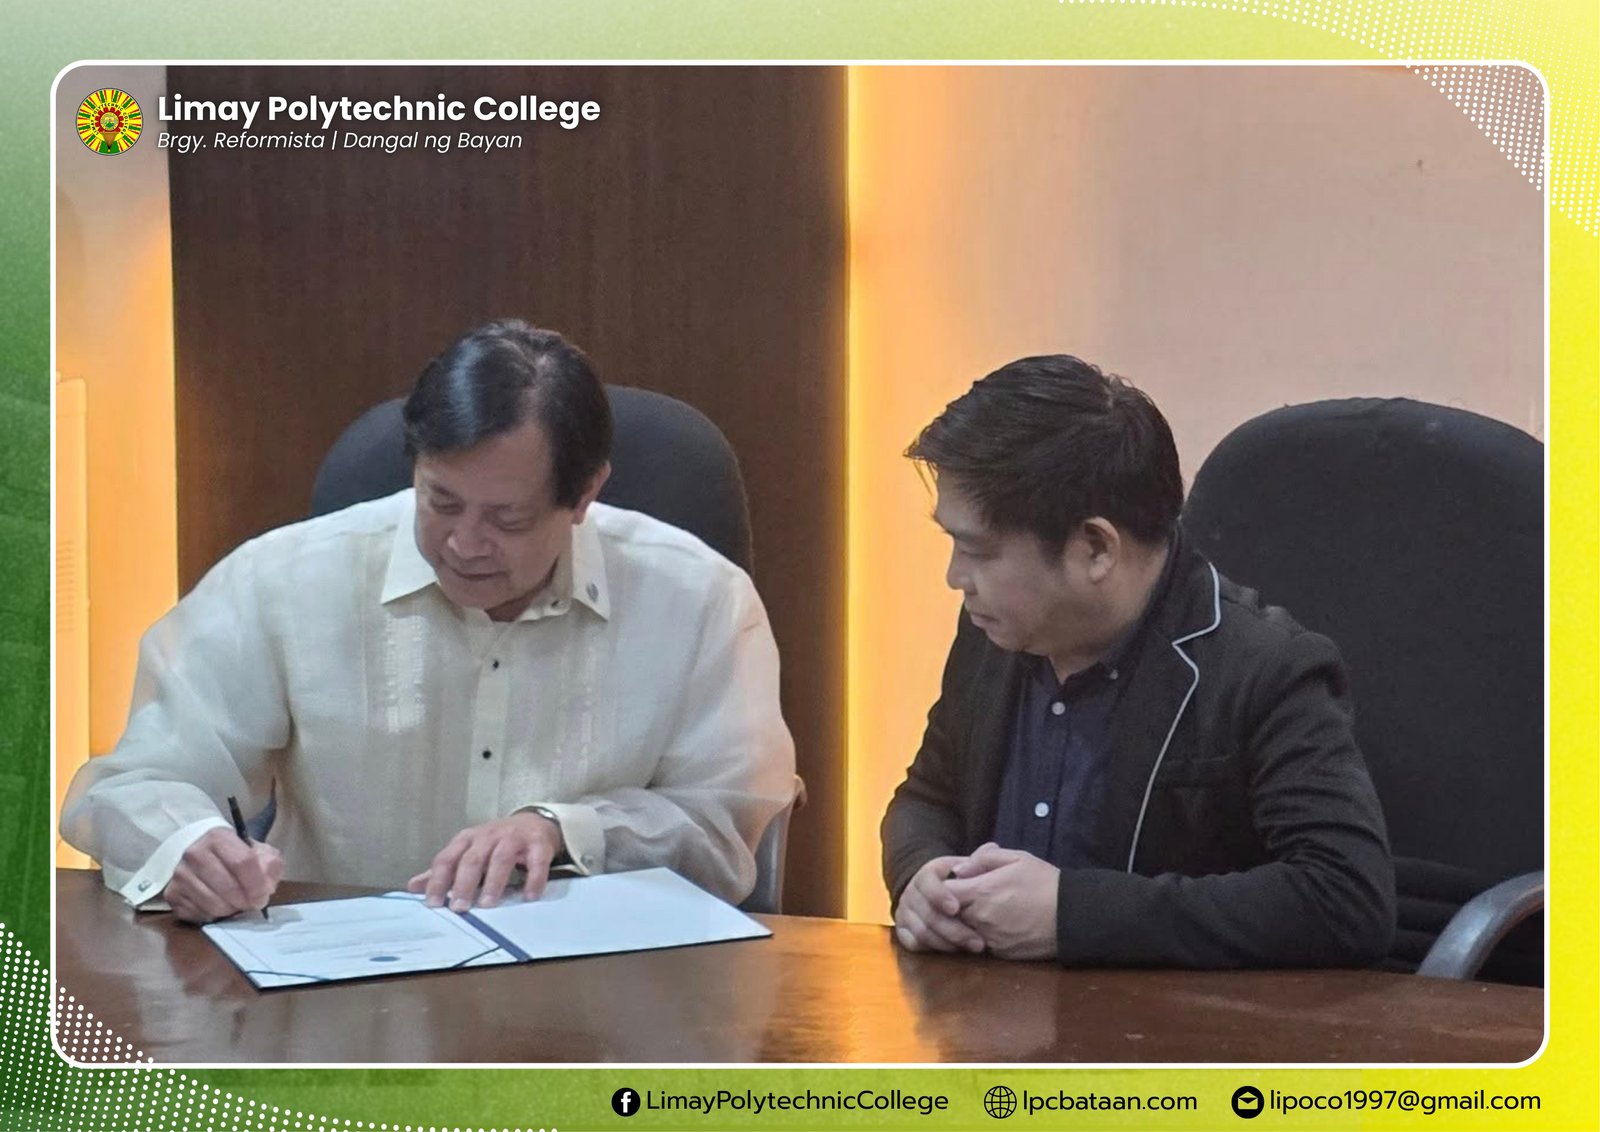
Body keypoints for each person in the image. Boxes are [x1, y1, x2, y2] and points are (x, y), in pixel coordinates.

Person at [62, 319, 795, 923]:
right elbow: (134, 781)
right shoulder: (283, 580)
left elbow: (723, 830)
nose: (464, 544)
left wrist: (567, 831)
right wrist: (185, 844)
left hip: (603, 998)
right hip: (343, 989)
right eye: (441, 502)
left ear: (584, 496)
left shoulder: (699, 599)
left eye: (507, 519)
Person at [881, 355, 1395, 967]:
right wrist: (922, 875)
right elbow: (928, 795)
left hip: (1172, 1021)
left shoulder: (1267, 669)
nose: (954, 577)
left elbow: (1344, 898)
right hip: (986, 1013)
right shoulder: (996, 630)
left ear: (1095, 548)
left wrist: (1072, 915)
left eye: (978, 551)